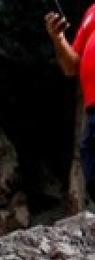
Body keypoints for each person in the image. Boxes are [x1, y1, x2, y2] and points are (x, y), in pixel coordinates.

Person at [47, 5, 95, 203]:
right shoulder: (92, 11)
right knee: (92, 174)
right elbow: (70, 66)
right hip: (92, 111)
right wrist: (58, 38)